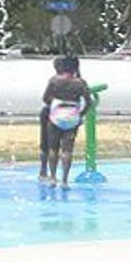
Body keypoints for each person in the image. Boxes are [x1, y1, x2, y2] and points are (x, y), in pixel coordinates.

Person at [41, 55, 93, 189]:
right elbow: (88, 102)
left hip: (56, 116)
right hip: (72, 117)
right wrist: (80, 114)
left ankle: (53, 177)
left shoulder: (54, 81)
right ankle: (64, 180)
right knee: (67, 150)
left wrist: (54, 106)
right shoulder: (80, 83)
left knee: (53, 148)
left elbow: (45, 98)